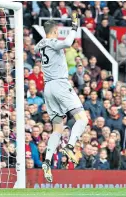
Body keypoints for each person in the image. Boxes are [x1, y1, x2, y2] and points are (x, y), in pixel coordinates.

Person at [34, 14, 88, 182]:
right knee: (82, 119)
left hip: (48, 88)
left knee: (57, 128)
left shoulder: (40, 44)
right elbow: (66, 43)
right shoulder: (51, 42)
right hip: (59, 84)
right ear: (56, 31)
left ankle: (47, 161)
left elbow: (38, 47)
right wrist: (74, 27)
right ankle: (70, 147)